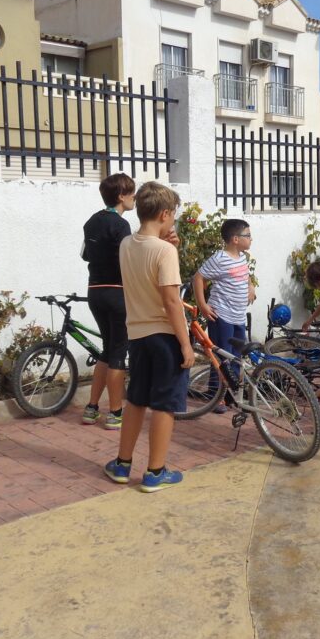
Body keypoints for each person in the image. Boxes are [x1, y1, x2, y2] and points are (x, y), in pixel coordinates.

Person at [103, 181, 195, 493]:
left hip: (138, 335)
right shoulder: (164, 251)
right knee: (164, 405)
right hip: (165, 337)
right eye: (173, 215)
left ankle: (122, 464)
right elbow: (171, 301)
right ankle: (155, 471)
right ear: (165, 214)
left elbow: (146, 258)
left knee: (136, 401)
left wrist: (167, 244)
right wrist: (185, 344)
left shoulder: (126, 244)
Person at [80, 173, 135, 430]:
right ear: (121, 196)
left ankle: (91, 408)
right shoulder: (121, 225)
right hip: (117, 292)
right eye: (132, 193)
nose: (134, 198)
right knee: (118, 352)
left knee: (107, 348)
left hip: (95, 291)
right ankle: (115, 412)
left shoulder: (91, 221)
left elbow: (85, 255)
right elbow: (128, 261)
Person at [193, 219, 256, 414]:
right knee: (221, 357)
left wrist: (251, 286)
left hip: (238, 317)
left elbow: (246, 276)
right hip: (222, 316)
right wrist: (202, 305)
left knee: (236, 357)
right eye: (248, 235)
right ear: (235, 239)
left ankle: (231, 395)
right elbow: (198, 277)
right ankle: (216, 396)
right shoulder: (220, 258)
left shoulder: (242, 257)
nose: (251, 239)